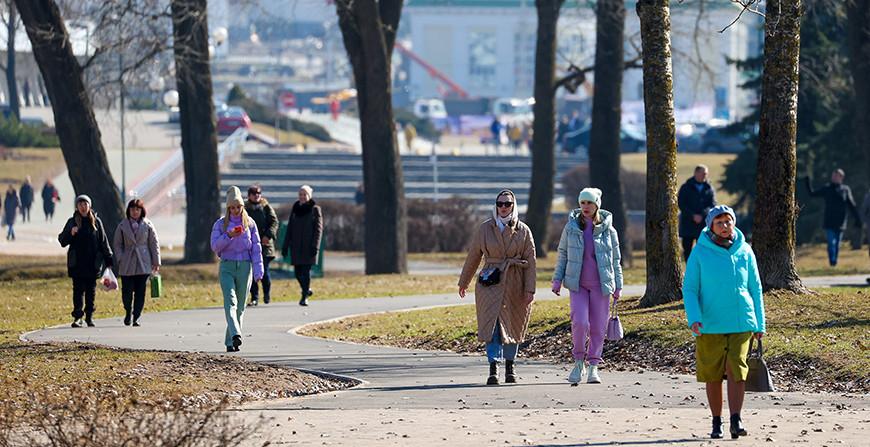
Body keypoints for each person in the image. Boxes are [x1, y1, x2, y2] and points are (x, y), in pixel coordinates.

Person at [682, 205, 765, 440]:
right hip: (709, 323)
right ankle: (716, 421)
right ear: (711, 226)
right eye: (720, 223)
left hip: (741, 322)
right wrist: (694, 318)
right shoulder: (700, 253)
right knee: (713, 375)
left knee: (737, 370)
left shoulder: (745, 251)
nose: (725, 226)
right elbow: (690, 289)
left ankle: (736, 419)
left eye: (728, 221)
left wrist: (760, 324)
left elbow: (755, 288)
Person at [458, 190, 536, 385]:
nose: (503, 207)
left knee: (513, 323)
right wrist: (464, 282)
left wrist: (530, 289)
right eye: (500, 203)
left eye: (507, 204)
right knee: (491, 325)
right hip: (489, 281)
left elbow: (531, 261)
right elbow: (473, 256)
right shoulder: (485, 229)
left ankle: (510, 366)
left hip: (515, 282)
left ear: (513, 205)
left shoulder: (523, 230)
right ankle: (493, 367)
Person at [551, 187, 623, 384]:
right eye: (582, 202)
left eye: (589, 203)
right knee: (580, 322)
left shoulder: (609, 230)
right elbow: (563, 254)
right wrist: (557, 280)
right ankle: (578, 361)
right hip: (577, 285)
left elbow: (616, 259)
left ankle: (593, 366)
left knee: (599, 327)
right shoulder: (571, 228)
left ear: (597, 205)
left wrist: (618, 285)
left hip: (601, 286)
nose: (585, 206)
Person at [211, 186, 264, 352]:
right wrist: (228, 236)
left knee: (240, 306)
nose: (235, 210)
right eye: (232, 207)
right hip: (227, 265)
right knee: (230, 301)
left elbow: (256, 248)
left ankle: (231, 341)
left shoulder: (250, 224)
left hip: (245, 267)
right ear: (228, 208)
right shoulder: (220, 224)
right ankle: (236, 333)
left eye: (238, 207)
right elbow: (214, 246)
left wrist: (258, 270)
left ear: (242, 206)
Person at [58, 195, 114, 328]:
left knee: (91, 291)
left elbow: (103, 242)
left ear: (89, 206)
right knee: (77, 291)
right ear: (77, 207)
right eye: (80, 204)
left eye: (85, 204)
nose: (83, 207)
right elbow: (62, 241)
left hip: (92, 263)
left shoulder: (96, 222)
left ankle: (89, 316)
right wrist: (70, 233)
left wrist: (109, 258)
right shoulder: (72, 222)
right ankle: (78, 317)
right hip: (77, 263)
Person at [112, 199, 161, 327]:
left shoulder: (148, 225)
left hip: (143, 261)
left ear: (141, 211)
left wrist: (156, 261)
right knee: (126, 291)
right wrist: (120, 257)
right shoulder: (122, 226)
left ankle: (136, 317)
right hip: (127, 261)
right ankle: (128, 311)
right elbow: (117, 244)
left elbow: (154, 243)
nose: (135, 212)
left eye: (137, 209)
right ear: (128, 211)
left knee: (140, 292)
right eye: (132, 209)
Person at [805, 169, 861, 267]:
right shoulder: (827, 188)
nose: (834, 178)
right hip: (829, 222)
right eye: (833, 176)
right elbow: (812, 194)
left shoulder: (845, 190)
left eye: (836, 176)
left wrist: (857, 219)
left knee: (837, 244)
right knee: (831, 243)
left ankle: (834, 262)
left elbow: (852, 205)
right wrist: (807, 182)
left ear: (841, 178)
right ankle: (832, 262)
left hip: (841, 222)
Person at [282, 185, 323, 306]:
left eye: (305, 194)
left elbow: (318, 229)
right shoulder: (295, 208)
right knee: (297, 273)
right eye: (300, 194)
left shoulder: (315, 209)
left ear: (309, 196)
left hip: (309, 246)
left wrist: (315, 245)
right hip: (296, 247)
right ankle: (307, 289)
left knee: (305, 272)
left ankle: (304, 296)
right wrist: (285, 245)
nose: (302, 197)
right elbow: (290, 228)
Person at [245, 185, 278, 306]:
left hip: (265, 246)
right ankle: (254, 297)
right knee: (252, 272)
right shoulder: (244, 209)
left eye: (258, 193)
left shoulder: (266, 207)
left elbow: (274, 222)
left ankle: (267, 294)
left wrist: (268, 235)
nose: (256, 195)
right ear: (249, 195)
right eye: (253, 193)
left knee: (264, 271)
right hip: (250, 245)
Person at [678, 165, 716, 260]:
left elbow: (712, 204)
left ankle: (702, 270)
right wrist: (693, 215)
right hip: (688, 224)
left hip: (703, 225)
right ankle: (690, 270)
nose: (704, 176)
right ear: (696, 173)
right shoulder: (686, 187)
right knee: (687, 249)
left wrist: (702, 215)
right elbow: (681, 204)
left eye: (706, 174)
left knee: (704, 249)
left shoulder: (709, 188)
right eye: (703, 173)